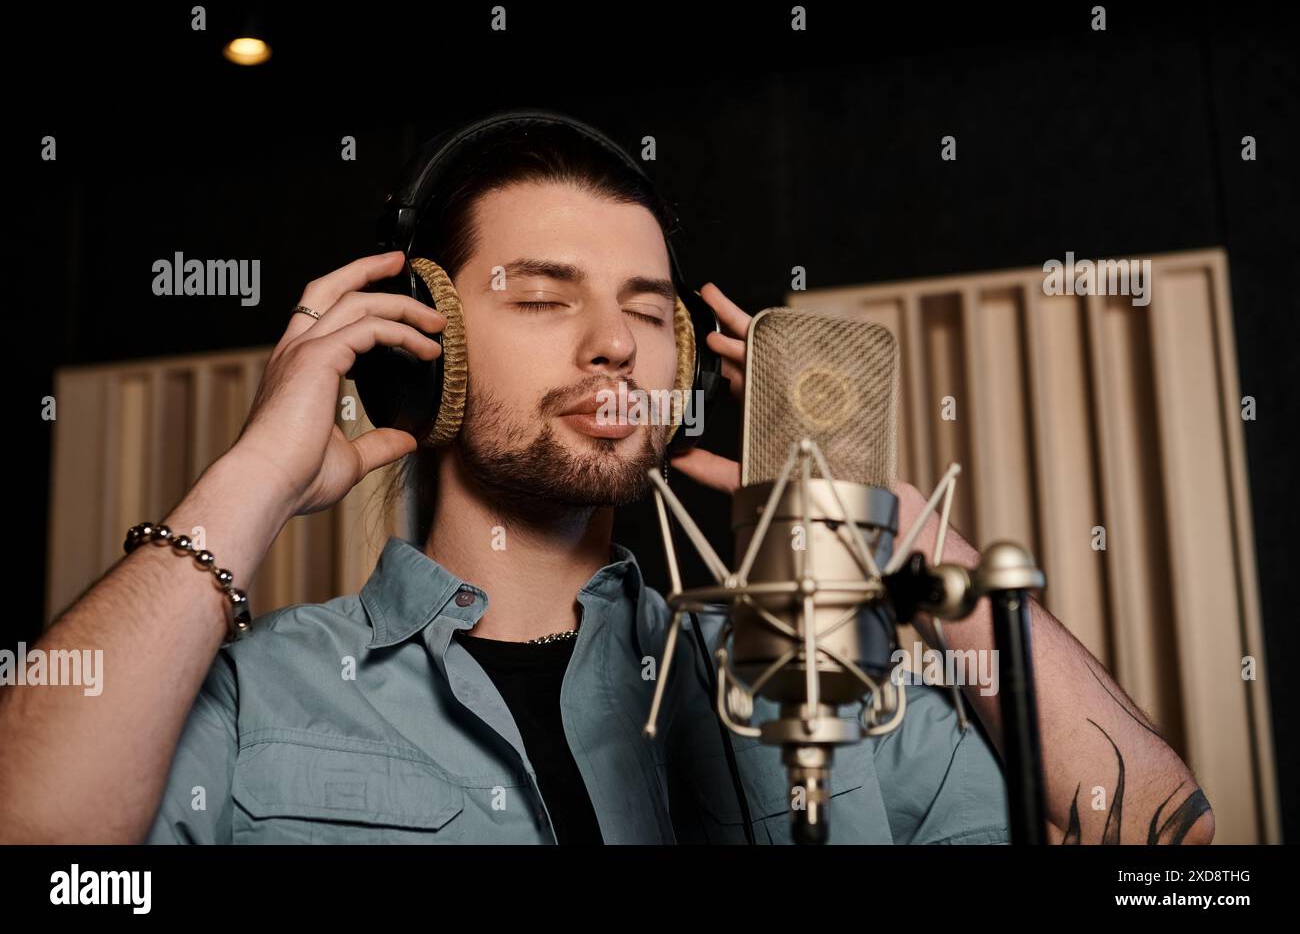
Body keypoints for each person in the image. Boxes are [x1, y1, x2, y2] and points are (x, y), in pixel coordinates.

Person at [0, 120, 1212, 845]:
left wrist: (878, 515)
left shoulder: (817, 670)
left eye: (648, 309)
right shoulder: (253, 699)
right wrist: (258, 469)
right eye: (540, 297)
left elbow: (1169, 836)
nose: (617, 341)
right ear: (426, 342)